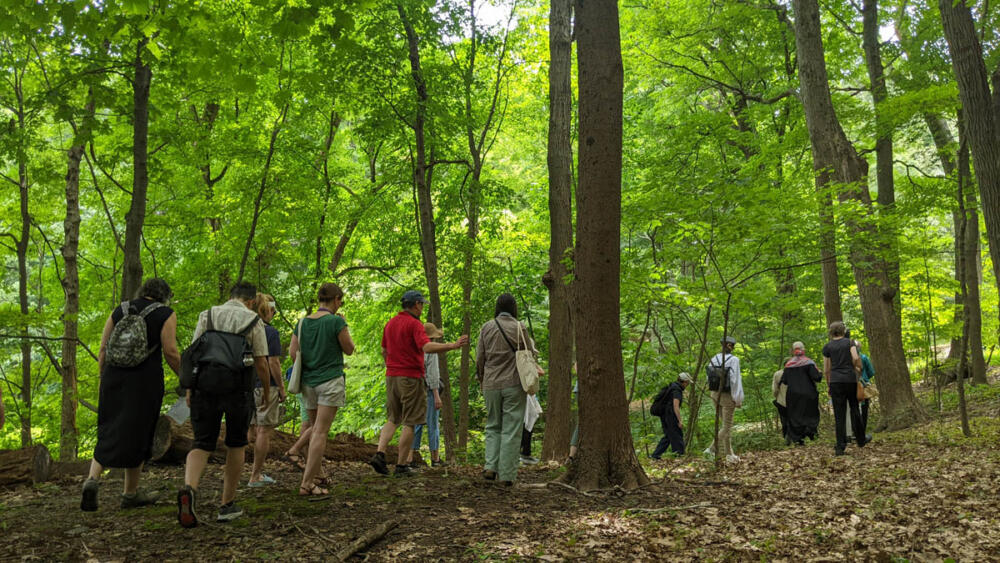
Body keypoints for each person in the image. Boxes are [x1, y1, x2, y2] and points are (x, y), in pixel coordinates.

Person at [81, 278, 180, 512]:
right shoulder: (165, 313)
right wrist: (185, 378)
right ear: (165, 295)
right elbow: (171, 351)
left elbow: (103, 349)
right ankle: (130, 493)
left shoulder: (121, 309)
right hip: (144, 382)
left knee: (109, 428)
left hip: (113, 378)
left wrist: (102, 379)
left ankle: (92, 480)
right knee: (140, 432)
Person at [177, 282, 270, 527]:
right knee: (236, 443)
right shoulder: (253, 320)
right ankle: (227, 505)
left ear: (230, 297)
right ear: (251, 302)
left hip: (203, 386)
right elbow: (261, 362)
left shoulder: (207, 315)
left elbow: (194, 354)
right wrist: (267, 392)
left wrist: (189, 388)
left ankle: (190, 489)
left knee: (202, 442)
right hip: (237, 388)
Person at [369, 290, 467, 477]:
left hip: (391, 376)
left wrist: (391, 366)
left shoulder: (390, 324)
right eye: (422, 304)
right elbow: (427, 347)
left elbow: (384, 350)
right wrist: (452, 346)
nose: (422, 308)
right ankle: (401, 466)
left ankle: (379, 454)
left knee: (393, 418)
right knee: (411, 422)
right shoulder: (415, 324)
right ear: (416, 305)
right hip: (410, 377)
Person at [290, 282, 355, 495]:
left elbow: (293, 353)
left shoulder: (302, 323)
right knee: (319, 431)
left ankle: (315, 475)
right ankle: (307, 483)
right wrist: (344, 324)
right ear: (336, 299)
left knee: (313, 427)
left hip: (308, 382)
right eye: (340, 301)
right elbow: (349, 349)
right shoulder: (335, 321)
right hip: (330, 381)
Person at [476, 293, 543, 485]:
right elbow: (529, 353)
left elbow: (480, 356)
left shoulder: (486, 327)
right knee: (512, 429)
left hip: (490, 384)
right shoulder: (519, 327)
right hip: (514, 383)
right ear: (514, 308)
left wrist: (481, 378)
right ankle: (506, 475)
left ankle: (490, 467)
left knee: (492, 425)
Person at [247, 293, 286, 487]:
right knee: (263, 431)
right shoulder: (270, 333)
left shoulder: (245, 329)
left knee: (252, 430)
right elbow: (273, 363)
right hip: (265, 386)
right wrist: (281, 387)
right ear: (268, 310)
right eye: (273, 311)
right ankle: (256, 475)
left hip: (246, 386)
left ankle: (243, 470)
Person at [822, 321, 868, 456]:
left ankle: (840, 446)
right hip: (849, 379)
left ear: (831, 332)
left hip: (836, 381)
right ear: (843, 331)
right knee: (854, 408)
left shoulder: (827, 347)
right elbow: (855, 357)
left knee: (839, 414)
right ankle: (861, 439)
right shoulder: (849, 343)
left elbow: (826, 369)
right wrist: (858, 367)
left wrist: (828, 384)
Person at [407, 323, 445, 468]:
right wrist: (436, 395)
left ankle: (409, 458)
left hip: (415, 390)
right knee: (433, 424)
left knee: (415, 424)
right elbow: (433, 374)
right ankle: (435, 459)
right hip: (429, 391)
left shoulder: (415, 348)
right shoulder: (431, 350)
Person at [704, 336, 744, 463]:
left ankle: (729, 454)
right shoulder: (734, 360)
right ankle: (710, 450)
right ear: (730, 346)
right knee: (727, 426)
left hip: (714, 394)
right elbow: (735, 380)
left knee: (724, 426)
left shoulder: (714, 358)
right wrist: (737, 399)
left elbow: (708, 378)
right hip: (727, 395)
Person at [781, 341, 822, 445]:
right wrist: (820, 372)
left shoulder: (788, 365)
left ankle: (798, 438)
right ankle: (811, 433)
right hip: (809, 394)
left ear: (793, 351)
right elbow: (817, 377)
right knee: (810, 413)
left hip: (793, 395)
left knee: (795, 416)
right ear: (803, 349)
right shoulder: (809, 363)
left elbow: (784, 381)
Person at [651, 372, 692, 459]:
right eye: (687, 383)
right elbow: (675, 406)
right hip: (670, 415)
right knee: (677, 435)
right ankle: (679, 456)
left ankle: (655, 455)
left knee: (668, 436)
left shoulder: (671, 386)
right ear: (684, 381)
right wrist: (680, 420)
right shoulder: (677, 390)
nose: (687, 385)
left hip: (664, 414)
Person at [520, 394, 543, 465]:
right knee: (524, 429)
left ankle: (526, 454)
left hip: (529, 399)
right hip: (520, 400)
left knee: (528, 428)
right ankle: (519, 456)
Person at [772, 366, 789, 443]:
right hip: (796, 402)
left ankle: (786, 439)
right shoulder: (798, 372)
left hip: (782, 401)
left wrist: (777, 397)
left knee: (784, 421)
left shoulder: (777, 374)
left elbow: (775, 390)